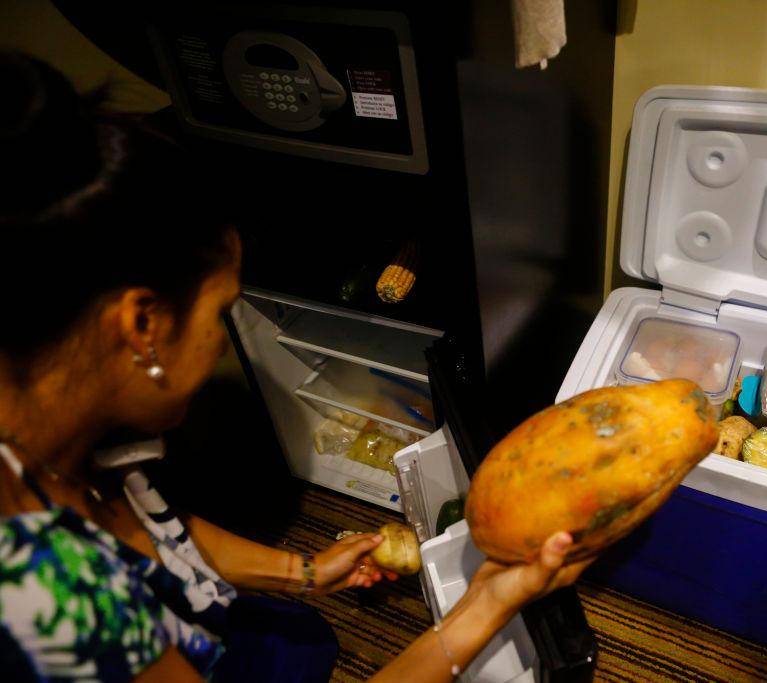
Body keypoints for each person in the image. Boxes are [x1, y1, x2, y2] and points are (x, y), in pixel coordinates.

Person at [0, 52, 591, 683]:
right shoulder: (54, 603)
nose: (224, 339)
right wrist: (487, 605)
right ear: (142, 325)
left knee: (298, 642)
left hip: (206, 619)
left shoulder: (50, 412)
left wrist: (304, 572)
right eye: (222, 309)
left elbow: (150, 526)